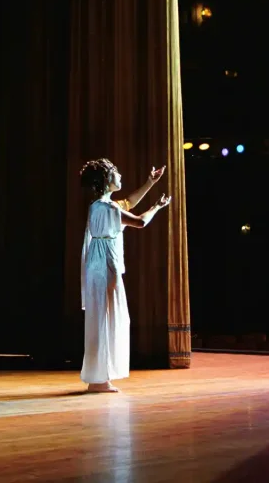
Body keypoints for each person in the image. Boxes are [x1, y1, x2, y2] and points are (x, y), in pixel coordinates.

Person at [78, 158, 171, 393]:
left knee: (106, 317)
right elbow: (139, 221)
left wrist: (150, 182)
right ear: (106, 180)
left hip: (102, 264)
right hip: (102, 267)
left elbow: (129, 202)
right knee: (103, 317)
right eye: (115, 172)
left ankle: (100, 377)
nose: (120, 175)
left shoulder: (103, 205)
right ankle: (97, 379)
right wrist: (156, 207)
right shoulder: (105, 207)